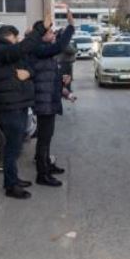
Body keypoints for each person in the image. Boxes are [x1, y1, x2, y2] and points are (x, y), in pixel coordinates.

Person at [0, 23, 45, 199]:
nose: (17, 42)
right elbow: (21, 50)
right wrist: (39, 29)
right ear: (7, 37)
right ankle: (11, 186)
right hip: (10, 106)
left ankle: (13, 179)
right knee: (12, 148)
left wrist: (29, 74)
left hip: (19, 103)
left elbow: (29, 65)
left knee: (16, 146)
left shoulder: (8, 51)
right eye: (15, 38)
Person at [29, 11, 75, 186]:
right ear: (41, 36)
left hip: (50, 101)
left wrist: (65, 86)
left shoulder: (45, 51)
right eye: (49, 32)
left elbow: (50, 75)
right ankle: (42, 175)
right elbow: (60, 46)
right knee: (44, 139)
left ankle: (47, 165)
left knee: (47, 137)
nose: (53, 34)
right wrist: (71, 26)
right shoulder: (39, 49)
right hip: (44, 102)